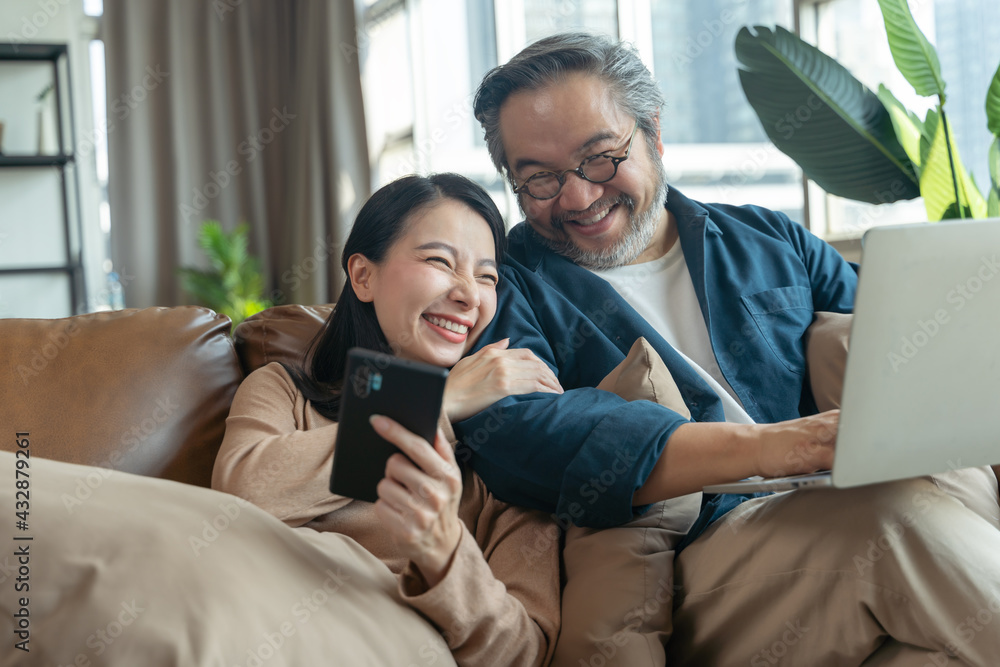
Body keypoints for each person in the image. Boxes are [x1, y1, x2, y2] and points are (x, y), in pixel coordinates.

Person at [458, 32, 1000, 665]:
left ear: (653, 132)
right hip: (698, 562)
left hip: (858, 538)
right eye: (540, 180)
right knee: (893, 520)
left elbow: (895, 350)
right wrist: (774, 449)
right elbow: (517, 436)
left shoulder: (766, 237)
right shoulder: (505, 284)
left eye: (600, 158)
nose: (578, 197)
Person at [212, 173, 565, 667]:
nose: (469, 294)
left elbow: (523, 652)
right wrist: (436, 402)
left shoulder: (510, 444)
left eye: (487, 276)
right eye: (441, 261)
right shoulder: (284, 391)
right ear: (363, 276)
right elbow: (239, 498)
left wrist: (443, 555)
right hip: (253, 626)